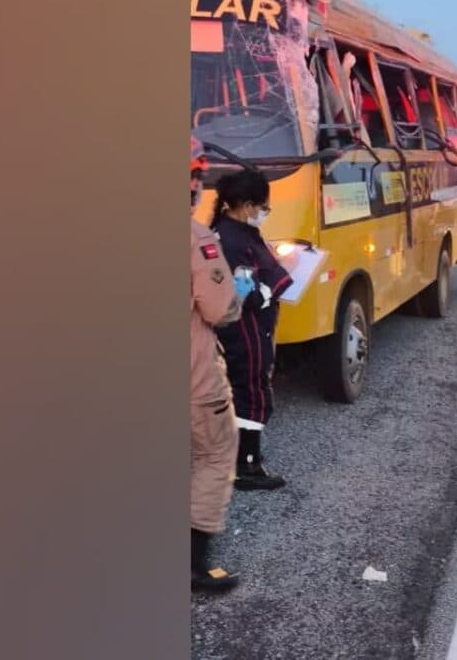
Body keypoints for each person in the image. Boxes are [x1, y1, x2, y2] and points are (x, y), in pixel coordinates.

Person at [211, 167, 294, 491]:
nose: (264, 214)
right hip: (245, 329)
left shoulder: (231, 229)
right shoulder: (231, 239)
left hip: (249, 327)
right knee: (251, 388)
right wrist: (268, 292)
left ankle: (241, 457)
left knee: (246, 387)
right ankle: (247, 464)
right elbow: (242, 290)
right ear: (246, 206)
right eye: (263, 208)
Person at [189, 138, 246, 592]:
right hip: (192, 378)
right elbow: (219, 309)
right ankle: (193, 563)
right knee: (213, 454)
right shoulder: (197, 239)